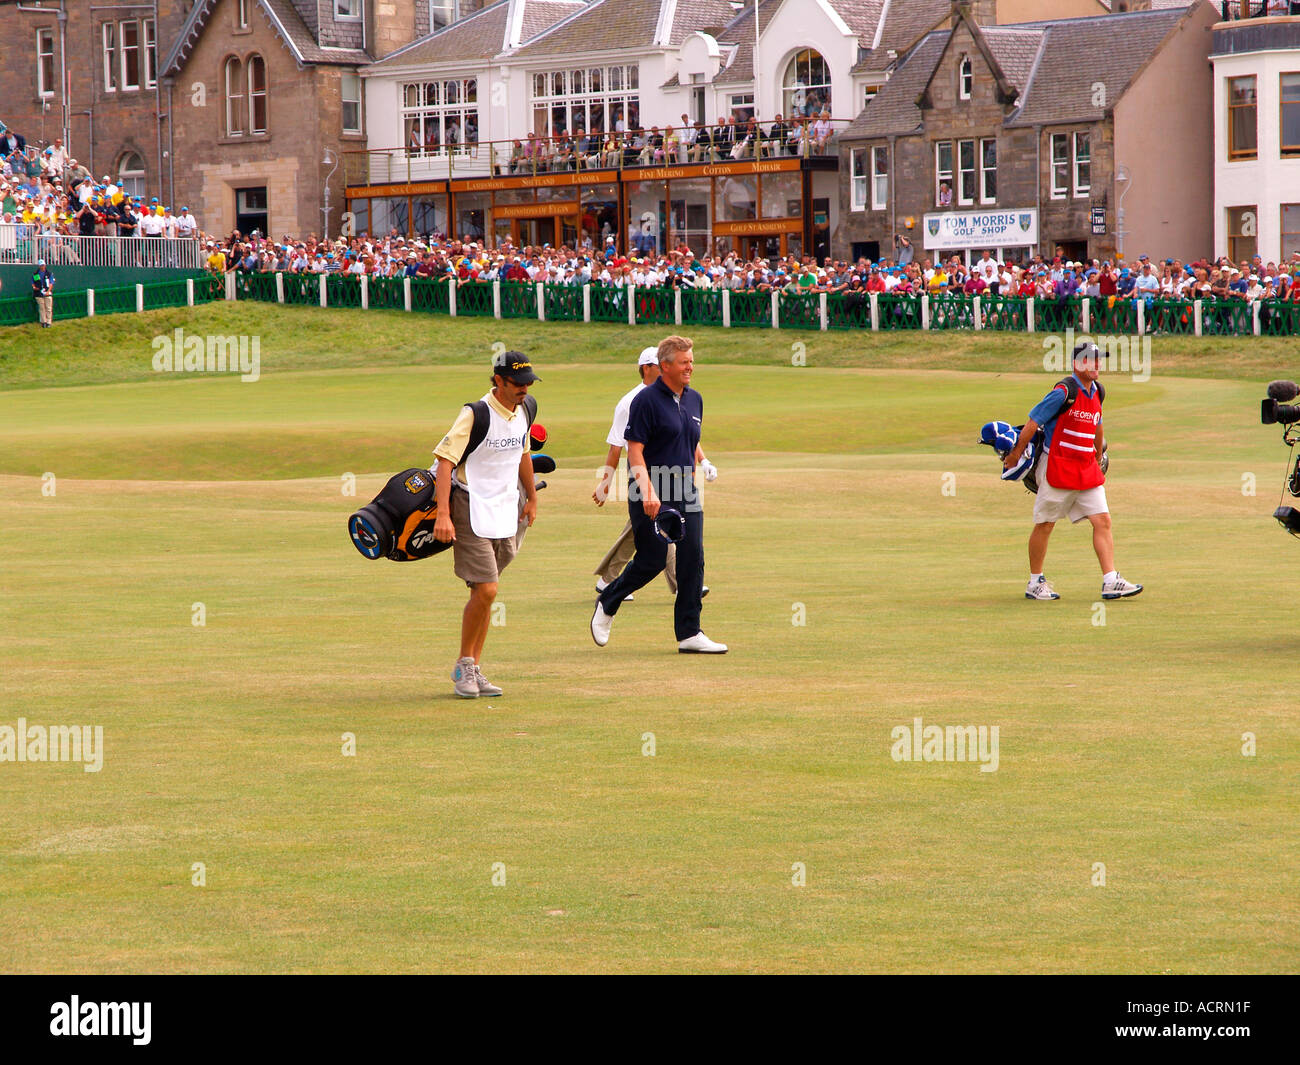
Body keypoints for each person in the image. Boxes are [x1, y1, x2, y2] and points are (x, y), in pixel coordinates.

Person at [591, 335, 725, 653]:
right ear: (665, 366)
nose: (690, 366)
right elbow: (634, 451)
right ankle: (608, 602)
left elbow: (689, 440)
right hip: (649, 487)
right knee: (651, 560)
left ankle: (690, 632)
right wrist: (649, 492)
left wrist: (701, 464)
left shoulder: (695, 400)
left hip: (685, 489)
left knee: (693, 558)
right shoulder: (645, 401)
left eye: (691, 360)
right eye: (684, 362)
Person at [432, 351, 541, 698]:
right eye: (517, 383)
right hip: (469, 504)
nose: (524, 389)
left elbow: (523, 453)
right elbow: (445, 462)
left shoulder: (525, 408)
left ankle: (473, 668)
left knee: (485, 592)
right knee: (488, 589)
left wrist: (532, 497)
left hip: (507, 507)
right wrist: (443, 514)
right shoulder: (474, 414)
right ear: (498, 381)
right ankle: (466, 666)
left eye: (528, 383)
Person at [1002, 342, 1142, 602]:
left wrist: (1098, 456)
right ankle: (1035, 582)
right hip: (1057, 465)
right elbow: (1033, 422)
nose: (1097, 364)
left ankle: (1110, 580)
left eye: (1099, 359)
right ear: (1077, 365)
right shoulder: (1063, 391)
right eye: (1091, 360)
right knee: (1045, 524)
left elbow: (1097, 424)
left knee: (1103, 520)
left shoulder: (1097, 391)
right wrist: (1015, 454)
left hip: (1085, 467)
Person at [31, 257, 54, 327]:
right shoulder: (36, 274)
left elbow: (51, 283)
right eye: (41, 265)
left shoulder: (49, 273)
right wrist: (34, 287)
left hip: (47, 293)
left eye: (43, 265)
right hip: (39, 293)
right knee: (42, 308)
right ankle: (43, 322)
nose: (42, 266)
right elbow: (33, 282)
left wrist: (48, 291)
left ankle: (49, 322)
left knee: (48, 308)